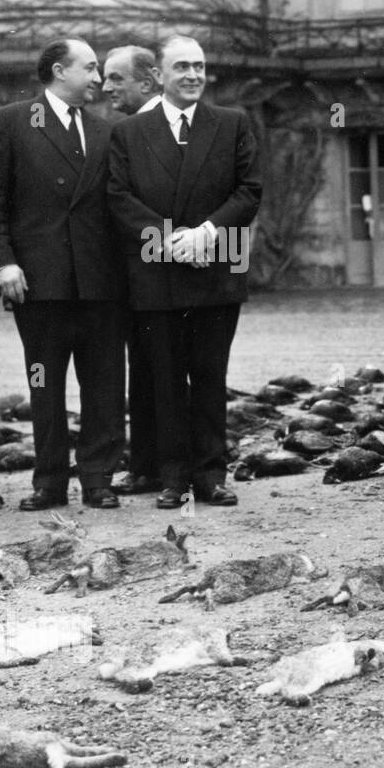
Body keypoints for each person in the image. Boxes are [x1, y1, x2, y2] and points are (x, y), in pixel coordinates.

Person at [107, 34, 261, 510]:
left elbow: (248, 190)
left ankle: (212, 475)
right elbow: (119, 197)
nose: (194, 75)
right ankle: (172, 476)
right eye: (182, 67)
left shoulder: (232, 124)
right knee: (166, 379)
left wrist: (207, 233)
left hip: (218, 267)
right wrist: (172, 238)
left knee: (210, 375)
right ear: (161, 76)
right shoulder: (129, 132)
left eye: (199, 66)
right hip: (159, 273)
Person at [0, 38, 126, 511]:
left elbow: (119, 208)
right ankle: (49, 483)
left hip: (100, 282)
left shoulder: (107, 131)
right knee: (44, 385)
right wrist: (3, 260)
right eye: (90, 68)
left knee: (105, 383)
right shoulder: (10, 121)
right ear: (58, 70)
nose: (98, 78)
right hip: (39, 282)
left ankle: (98, 480)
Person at [102, 44, 163, 497]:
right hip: (137, 274)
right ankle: (146, 465)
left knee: (190, 370)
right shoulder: (119, 132)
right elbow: (117, 200)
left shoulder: (189, 127)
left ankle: (189, 465)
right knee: (142, 368)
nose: (106, 87)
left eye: (115, 78)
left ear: (146, 81)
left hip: (190, 269)